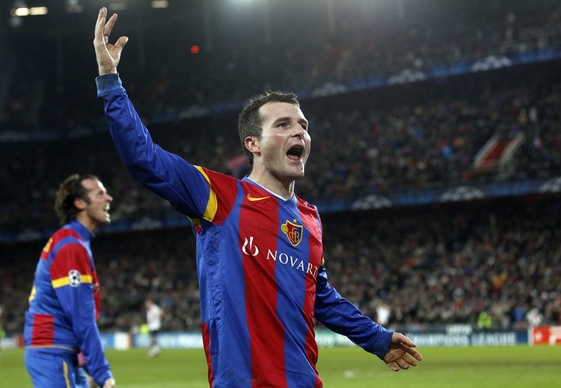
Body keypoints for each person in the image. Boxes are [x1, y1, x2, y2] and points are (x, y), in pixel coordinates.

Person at [93, 7, 423, 387]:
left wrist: (377, 338)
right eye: (283, 125)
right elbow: (144, 158)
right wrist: (109, 80)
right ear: (253, 143)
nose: (299, 132)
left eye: (303, 125)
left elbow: (321, 296)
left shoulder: (310, 219)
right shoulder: (220, 197)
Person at [23, 174, 116, 388]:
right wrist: (102, 373)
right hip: (54, 349)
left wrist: (86, 362)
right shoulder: (71, 246)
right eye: (100, 193)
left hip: (61, 350)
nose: (108, 198)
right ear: (80, 203)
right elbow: (80, 316)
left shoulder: (73, 241)